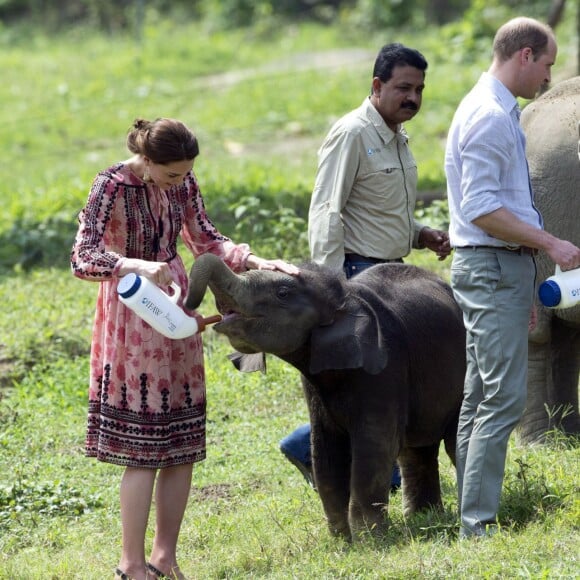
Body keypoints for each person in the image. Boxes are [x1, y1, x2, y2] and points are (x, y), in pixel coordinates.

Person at [71, 117, 299, 580]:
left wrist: (255, 260)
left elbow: (205, 238)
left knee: (181, 444)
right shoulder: (110, 185)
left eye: (185, 173)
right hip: (133, 313)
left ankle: (164, 558)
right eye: (172, 174)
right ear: (147, 161)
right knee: (143, 449)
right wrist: (134, 263)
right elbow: (83, 255)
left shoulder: (182, 180)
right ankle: (131, 565)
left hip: (177, 311)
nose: (180, 182)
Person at [279, 43, 451, 491]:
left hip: (392, 276)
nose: (412, 97)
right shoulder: (352, 133)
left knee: (386, 386)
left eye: (419, 89)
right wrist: (332, 291)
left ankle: (373, 469)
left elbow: (379, 209)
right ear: (376, 86)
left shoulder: (397, 137)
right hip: (357, 277)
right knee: (365, 390)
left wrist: (421, 233)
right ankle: (307, 446)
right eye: (402, 88)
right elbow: (327, 212)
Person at [444, 17, 580, 539]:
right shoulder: (490, 118)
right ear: (524, 56)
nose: (548, 78)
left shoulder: (501, 112)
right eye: (546, 65)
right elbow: (481, 208)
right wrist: (550, 243)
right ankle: (476, 525)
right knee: (501, 398)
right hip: (491, 265)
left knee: (481, 395)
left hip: (504, 267)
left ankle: (468, 513)